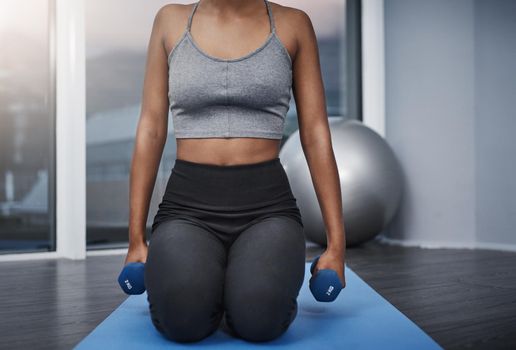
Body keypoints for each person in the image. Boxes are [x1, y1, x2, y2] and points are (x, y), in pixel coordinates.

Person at [124, 0, 347, 343]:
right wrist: (136, 240)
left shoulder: (293, 25)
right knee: (182, 322)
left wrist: (337, 245)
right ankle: (219, 288)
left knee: (261, 321)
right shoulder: (170, 21)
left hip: (267, 210)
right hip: (187, 208)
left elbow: (316, 134)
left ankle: (239, 290)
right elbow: (151, 129)